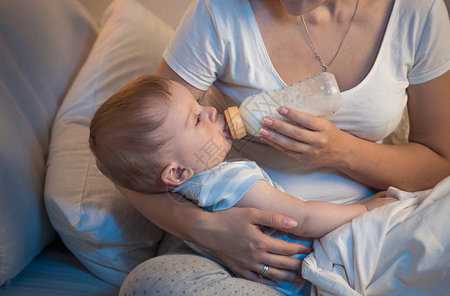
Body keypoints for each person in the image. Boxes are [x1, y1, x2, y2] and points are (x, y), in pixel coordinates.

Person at [116, 0, 449, 294]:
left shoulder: (416, 11)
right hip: (236, 238)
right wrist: (208, 229)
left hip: (364, 230)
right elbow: (134, 161)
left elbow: (439, 162)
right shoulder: (219, 11)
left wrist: (341, 151)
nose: (208, 110)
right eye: (197, 117)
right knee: (150, 283)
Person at [89, 74, 396, 295]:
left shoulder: (187, 191)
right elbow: (302, 219)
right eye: (196, 119)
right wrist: (366, 207)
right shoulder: (229, 182)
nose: (210, 109)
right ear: (177, 172)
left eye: (199, 103)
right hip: (302, 275)